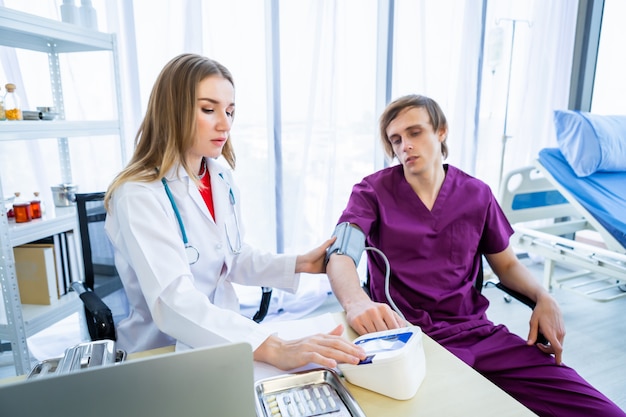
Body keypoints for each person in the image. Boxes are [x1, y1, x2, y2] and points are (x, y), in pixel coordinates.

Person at [325, 94, 625, 417]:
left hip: (479, 336)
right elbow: (340, 253)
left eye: (414, 133)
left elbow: (506, 264)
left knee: (601, 411)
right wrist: (356, 301)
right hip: (411, 341)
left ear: (441, 131)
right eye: (395, 140)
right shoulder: (372, 192)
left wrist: (543, 297)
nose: (404, 146)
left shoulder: (476, 194)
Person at [104, 53, 365, 371]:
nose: (225, 124)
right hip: (163, 355)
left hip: (225, 344)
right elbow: (172, 302)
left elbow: (232, 258)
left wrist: (301, 263)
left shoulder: (219, 178)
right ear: (172, 110)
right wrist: (274, 346)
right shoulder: (139, 194)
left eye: (229, 111)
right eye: (208, 109)